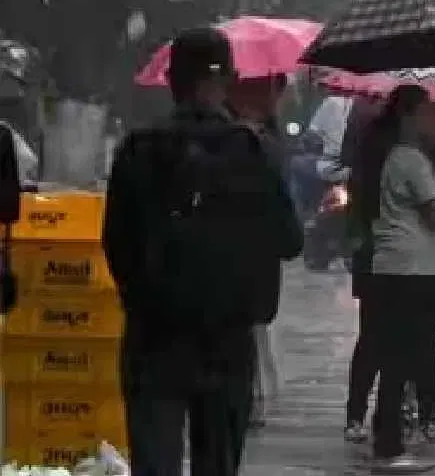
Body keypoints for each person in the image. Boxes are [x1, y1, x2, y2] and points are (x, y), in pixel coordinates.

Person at [103, 27, 303, 476]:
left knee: (155, 462)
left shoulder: (138, 149)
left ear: (172, 81)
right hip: (227, 344)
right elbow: (290, 242)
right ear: (226, 80)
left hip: (154, 339)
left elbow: (116, 243)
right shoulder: (254, 152)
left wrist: (144, 298)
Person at [355, 85, 435, 469]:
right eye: (430, 113)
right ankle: (388, 446)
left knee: (397, 357)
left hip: (401, 269)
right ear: (409, 117)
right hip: (406, 271)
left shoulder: (400, 157)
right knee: (399, 358)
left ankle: (390, 437)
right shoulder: (410, 160)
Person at [227, 74, 290, 431]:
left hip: (250, 261)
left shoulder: (267, 140)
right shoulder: (251, 144)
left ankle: (255, 397)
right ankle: (253, 397)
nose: (278, 96)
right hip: (246, 259)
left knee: (254, 329)